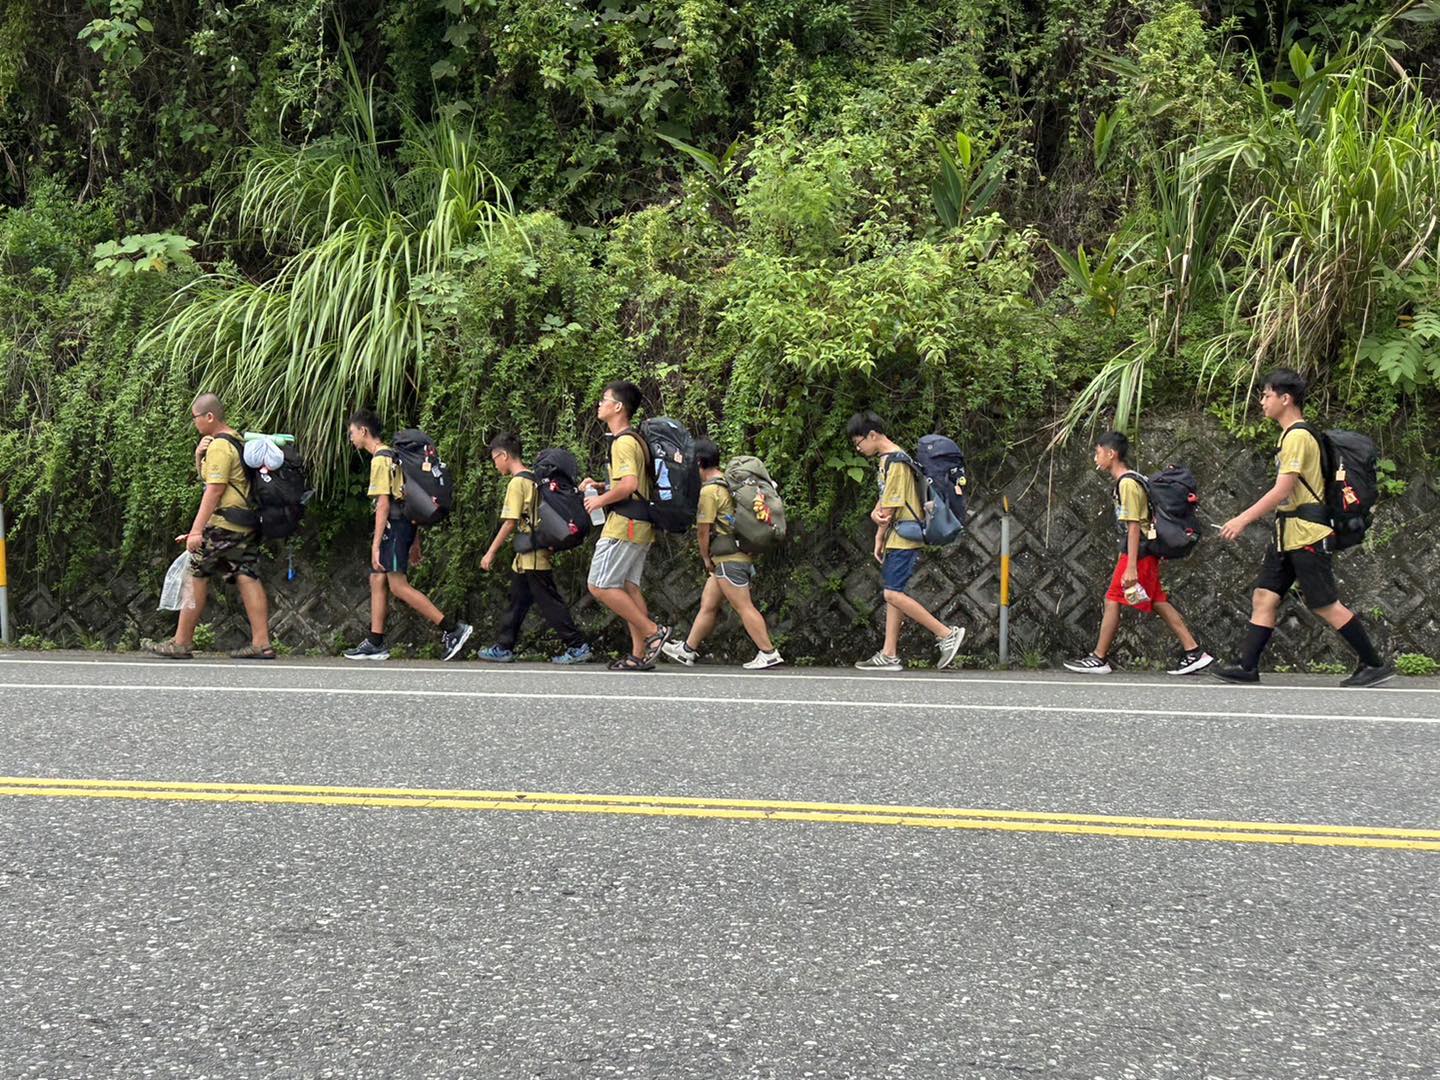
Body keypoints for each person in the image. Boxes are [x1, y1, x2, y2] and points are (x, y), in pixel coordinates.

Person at [1213, 369, 1393, 687]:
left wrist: (1242, 519)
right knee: (1264, 596)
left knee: (1324, 604)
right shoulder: (1291, 435)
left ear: (1286, 398)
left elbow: (1283, 489)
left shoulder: (1297, 436)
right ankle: (1247, 666)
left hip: (1308, 533)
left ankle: (1373, 663)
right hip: (1287, 533)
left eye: (1267, 395)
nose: (1262, 401)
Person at [1064, 432, 1213, 675]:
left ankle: (1099, 657)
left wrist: (1131, 565)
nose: (1095, 458)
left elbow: (1134, 526)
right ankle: (1194, 652)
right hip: (1143, 551)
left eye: (1098, 452)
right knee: (1156, 600)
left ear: (1111, 454)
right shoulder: (1130, 480)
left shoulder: (1127, 483)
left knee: (1113, 598)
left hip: (1138, 551)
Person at [342, 409, 472, 662]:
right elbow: (409, 498)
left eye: (352, 433)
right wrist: (415, 540)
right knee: (377, 579)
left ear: (363, 431)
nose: (351, 438)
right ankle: (375, 641)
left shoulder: (380, 459)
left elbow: (384, 504)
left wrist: (376, 544)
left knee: (398, 586)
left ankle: (452, 630)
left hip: (395, 526)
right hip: (404, 526)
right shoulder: (394, 456)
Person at [151, 393, 274, 660]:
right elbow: (219, 482)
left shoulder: (220, 445)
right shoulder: (236, 440)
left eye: (195, 417)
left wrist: (197, 531)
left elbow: (214, 490)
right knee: (247, 575)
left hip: (225, 524)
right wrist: (199, 457)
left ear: (209, 417)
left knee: (196, 575)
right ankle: (262, 643)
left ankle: (181, 642)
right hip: (243, 523)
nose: (194, 422)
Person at [846, 411, 965, 672]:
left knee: (892, 593)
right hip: (895, 535)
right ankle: (889, 654)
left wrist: (878, 520)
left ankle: (945, 633)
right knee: (893, 594)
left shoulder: (897, 462)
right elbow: (885, 497)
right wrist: (879, 535)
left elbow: (889, 508)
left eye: (859, 443)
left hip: (904, 537)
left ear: (873, 435)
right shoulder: (887, 460)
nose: (859, 448)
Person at [661, 438, 784, 670]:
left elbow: (703, 530)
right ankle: (688, 650)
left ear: (698, 462)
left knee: (743, 606)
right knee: (708, 605)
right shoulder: (727, 483)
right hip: (733, 557)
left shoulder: (710, 490)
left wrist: (705, 557)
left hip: (728, 559)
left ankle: (768, 652)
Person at [474, 433, 592, 664]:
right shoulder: (534, 479)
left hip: (534, 555)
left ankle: (577, 645)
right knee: (517, 600)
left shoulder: (518, 483)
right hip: (529, 553)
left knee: (549, 601)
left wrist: (491, 552)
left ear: (504, 455)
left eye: (494, 459)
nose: (495, 464)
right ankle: (504, 646)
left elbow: (510, 522)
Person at [579, 380, 671, 671]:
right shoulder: (633, 439)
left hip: (625, 525)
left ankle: (653, 632)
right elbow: (633, 483)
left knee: (600, 585)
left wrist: (601, 500)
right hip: (640, 524)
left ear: (617, 406)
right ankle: (638, 655)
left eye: (603, 399)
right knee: (628, 588)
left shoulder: (623, 442)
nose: (599, 404)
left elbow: (629, 485)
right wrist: (602, 484)